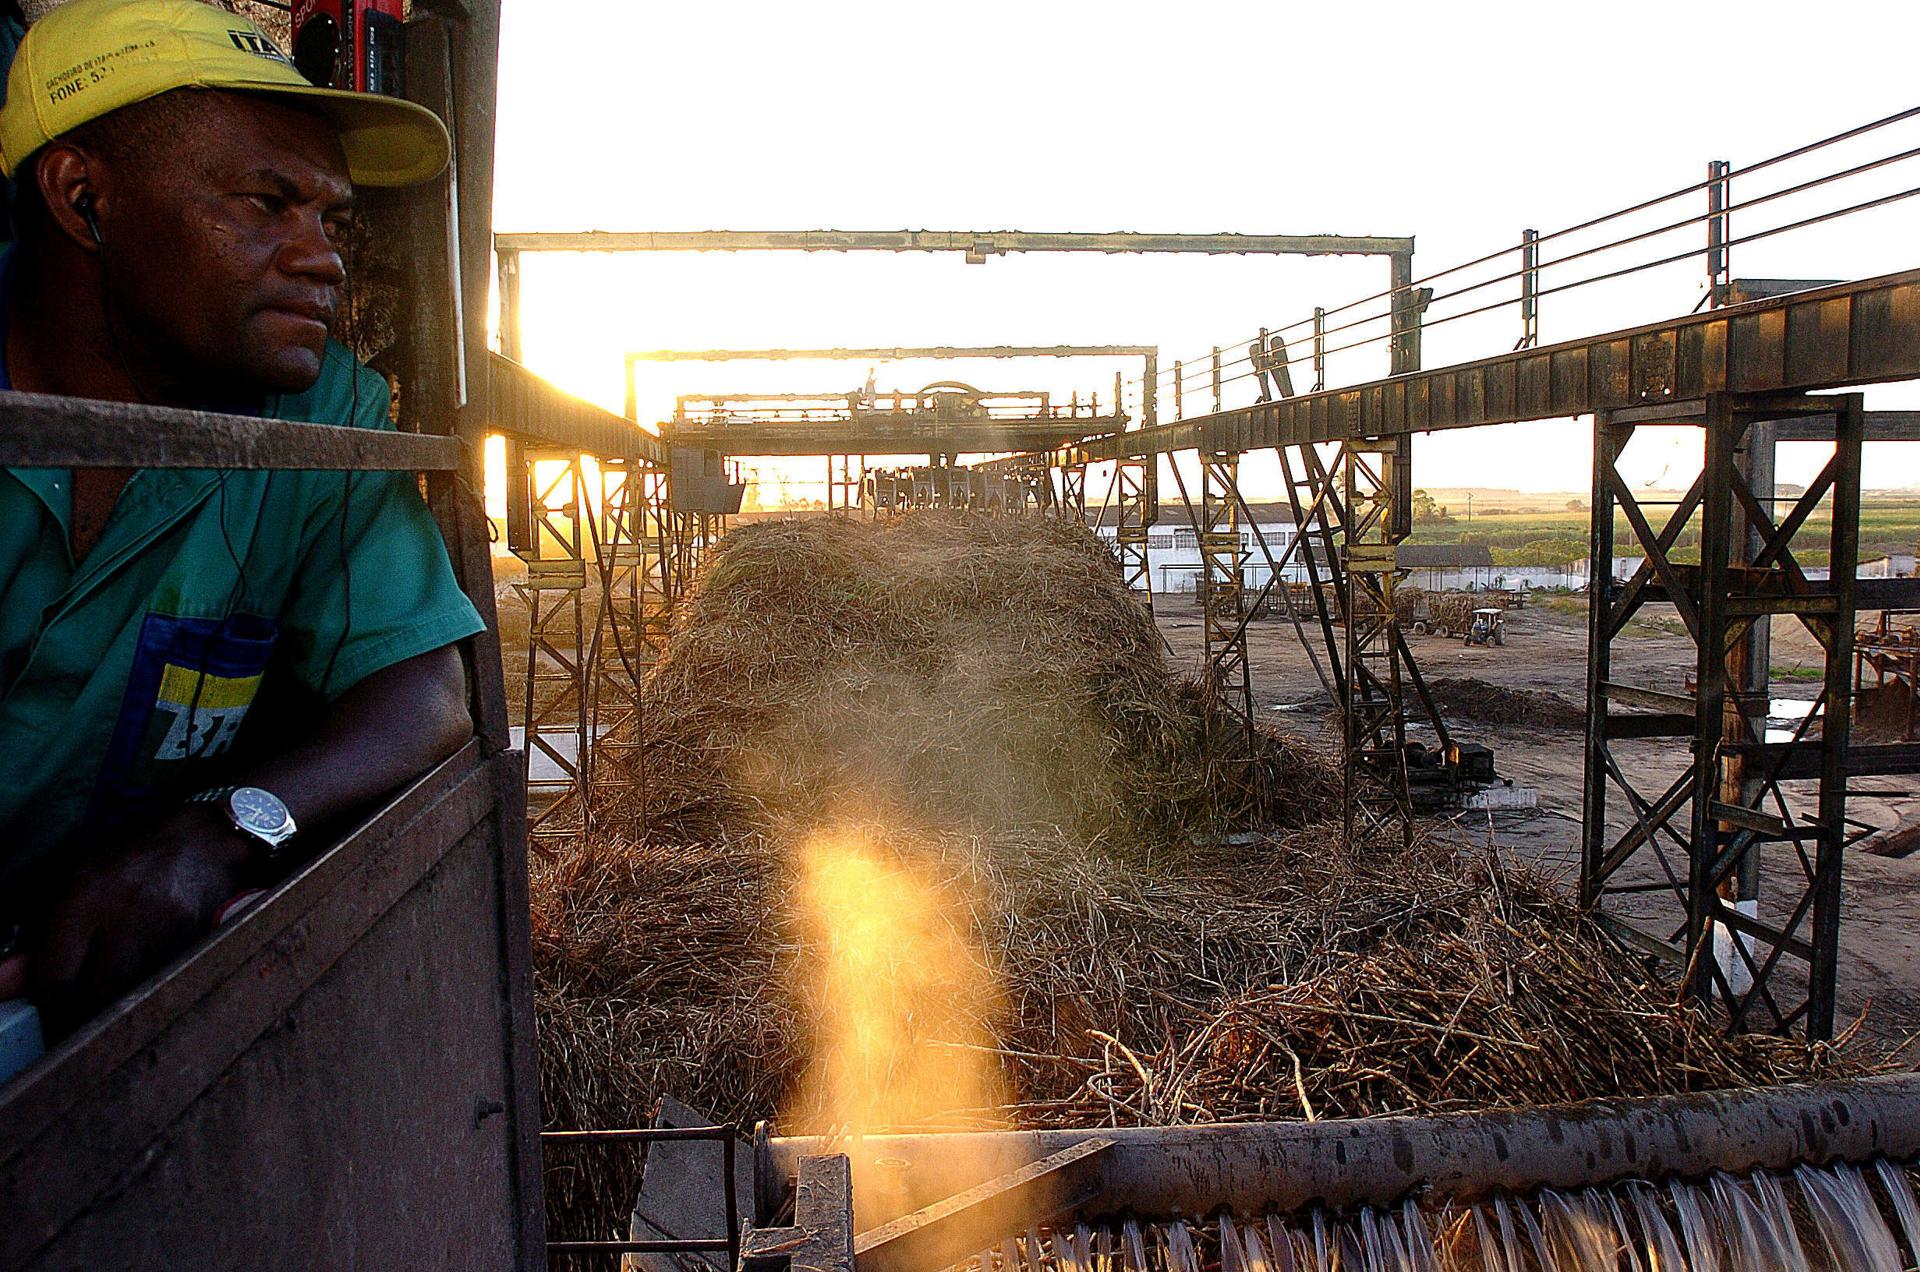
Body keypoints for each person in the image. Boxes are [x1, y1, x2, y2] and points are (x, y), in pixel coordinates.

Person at [0, 0, 484, 1037]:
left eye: (332, 220)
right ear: (83, 197)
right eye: (268, 203)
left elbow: (427, 695)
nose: (324, 259)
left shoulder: (323, 414)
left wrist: (221, 832)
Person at [1249, 330, 1274, 403]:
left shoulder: (1267, 361)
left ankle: (1267, 398)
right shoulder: (1260, 369)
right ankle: (1267, 398)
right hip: (1262, 370)